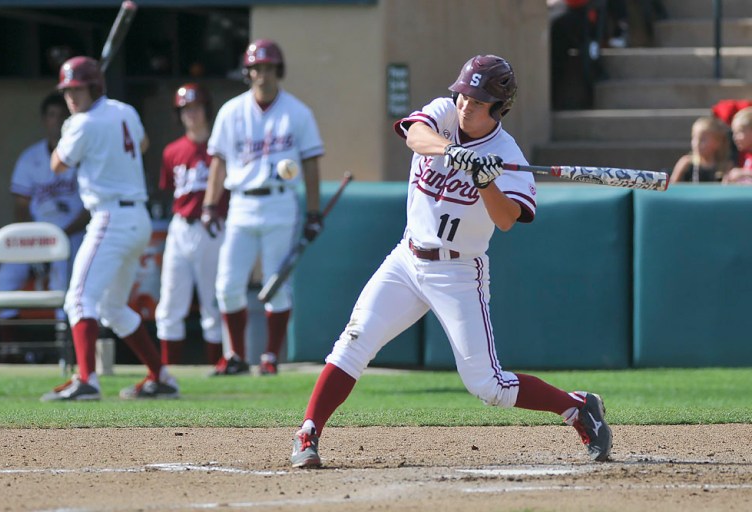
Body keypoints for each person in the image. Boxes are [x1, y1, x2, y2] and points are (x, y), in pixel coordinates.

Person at [289, 54, 613, 468]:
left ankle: (577, 406)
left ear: (499, 108)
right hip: (407, 259)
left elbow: (507, 220)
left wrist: (486, 180)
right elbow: (413, 135)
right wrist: (453, 152)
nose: (465, 105)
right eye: (464, 95)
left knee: (488, 385)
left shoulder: (506, 152)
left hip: (459, 271)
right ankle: (309, 431)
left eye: (477, 102)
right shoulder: (443, 113)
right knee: (355, 341)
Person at [41, 56, 179, 401]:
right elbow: (143, 145)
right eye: (68, 90)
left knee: (78, 298)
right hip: (137, 219)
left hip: (110, 218)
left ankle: (87, 379)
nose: (72, 96)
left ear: (94, 86)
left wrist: (71, 129)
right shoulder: (124, 110)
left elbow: (57, 164)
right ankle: (160, 376)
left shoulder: (82, 124)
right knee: (113, 309)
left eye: (78, 88)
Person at [202, 38, 324, 376]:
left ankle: (270, 357)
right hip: (241, 203)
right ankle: (236, 356)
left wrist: (313, 212)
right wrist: (210, 204)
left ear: (278, 71)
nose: (262, 74)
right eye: (257, 68)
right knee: (227, 284)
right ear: (248, 72)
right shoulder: (231, 111)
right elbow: (219, 161)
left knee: (276, 284)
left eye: (269, 67)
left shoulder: (297, 112)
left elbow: (311, 164)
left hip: (280, 201)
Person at [0, 92, 89, 330]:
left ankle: (62, 345)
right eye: (51, 116)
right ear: (44, 120)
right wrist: (35, 245)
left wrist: (58, 239)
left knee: (63, 280)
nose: (56, 121)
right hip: (37, 238)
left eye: (61, 116)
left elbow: (90, 209)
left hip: (73, 235)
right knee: (2, 279)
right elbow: (21, 207)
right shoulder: (30, 158)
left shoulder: (84, 156)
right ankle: (12, 350)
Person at [155, 83, 229, 366]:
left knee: (212, 303)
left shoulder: (219, 150)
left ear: (206, 110)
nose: (191, 114)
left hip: (212, 228)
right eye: (185, 109)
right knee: (171, 303)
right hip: (180, 226)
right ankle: (167, 370)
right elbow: (167, 188)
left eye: (196, 108)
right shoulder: (172, 151)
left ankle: (215, 365)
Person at [670, 116, 733, 183]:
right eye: (694, 138)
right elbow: (672, 186)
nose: (697, 143)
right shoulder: (686, 164)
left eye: (703, 140)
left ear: (718, 142)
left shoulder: (725, 166)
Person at [722, 107, 752, 185]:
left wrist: (743, 173)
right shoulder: (745, 156)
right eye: (734, 133)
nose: (734, 137)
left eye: (739, 132)